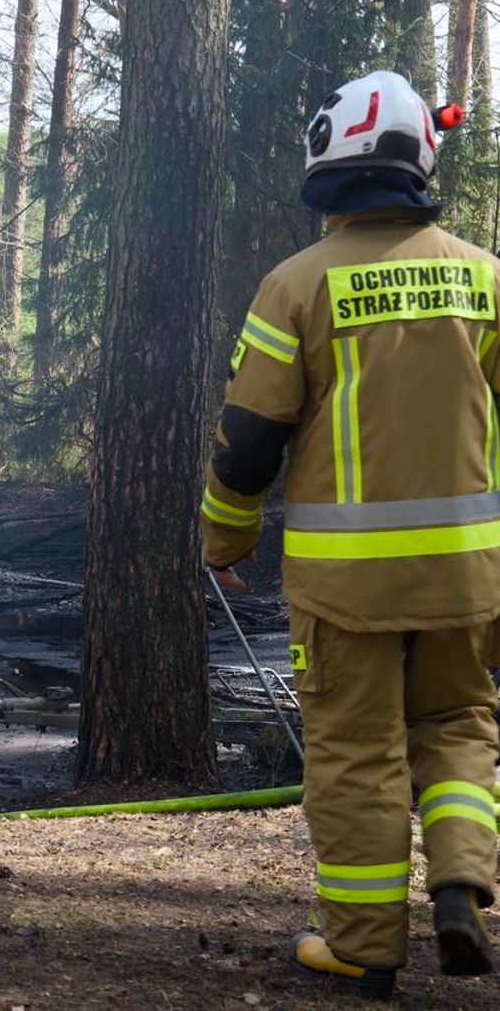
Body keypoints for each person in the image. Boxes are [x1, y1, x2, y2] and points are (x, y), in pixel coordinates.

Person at [201, 69, 498, 999]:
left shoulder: (296, 285)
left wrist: (224, 537)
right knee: (458, 722)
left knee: (356, 749)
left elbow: (251, 435)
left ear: (329, 165)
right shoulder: (485, 277)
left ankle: (366, 946)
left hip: (345, 587)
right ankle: (461, 883)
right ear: (420, 161)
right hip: (466, 574)